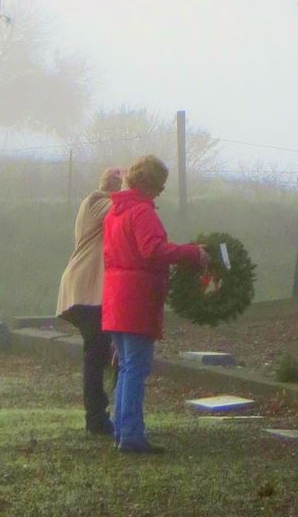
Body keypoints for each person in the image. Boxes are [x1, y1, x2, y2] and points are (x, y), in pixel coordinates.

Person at [101, 154, 207, 456]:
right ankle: (132, 435)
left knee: (125, 368)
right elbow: (153, 250)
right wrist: (192, 254)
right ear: (151, 184)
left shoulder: (115, 212)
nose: (161, 192)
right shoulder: (142, 212)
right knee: (135, 368)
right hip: (137, 297)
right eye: (160, 185)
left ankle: (122, 430)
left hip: (115, 295)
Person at [56, 166, 124, 439]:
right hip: (86, 289)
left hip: (91, 289)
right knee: (96, 353)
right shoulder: (95, 202)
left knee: (100, 353)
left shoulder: (102, 207)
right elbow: (121, 208)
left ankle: (101, 414)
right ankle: (96, 417)